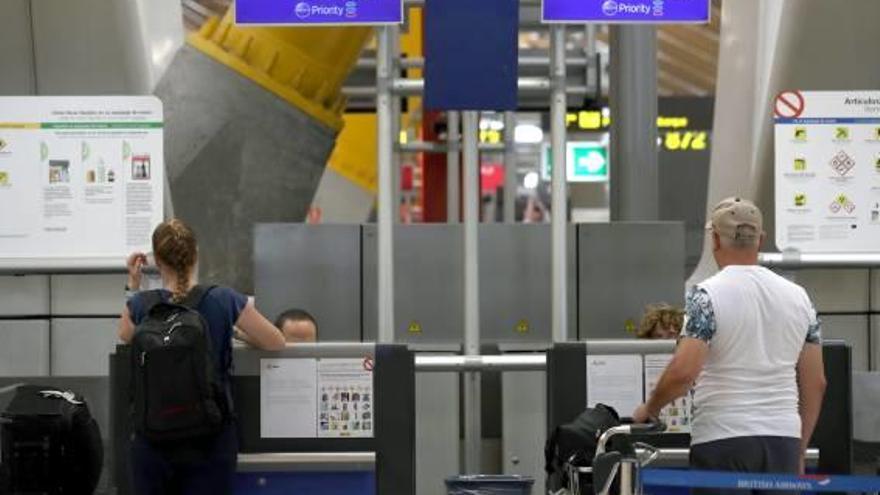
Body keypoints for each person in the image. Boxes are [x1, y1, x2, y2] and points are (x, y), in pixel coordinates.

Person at [632, 197, 827, 487]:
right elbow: (816, 382)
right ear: (760, 240)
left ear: (714, 239)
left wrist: (650, 409)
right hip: (783, 440)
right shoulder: (799, 298)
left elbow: (683, 373)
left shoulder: (706, 296)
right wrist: (798, 449)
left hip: (722, 440)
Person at [118, 219, 285, 495]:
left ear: (157, 261)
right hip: (211, 438)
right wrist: (235, 332)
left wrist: (134, 284)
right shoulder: (223, 299)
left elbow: (126, 334)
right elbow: (275, 341)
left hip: (153, 437)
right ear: (196, 255)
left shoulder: (141, 303)